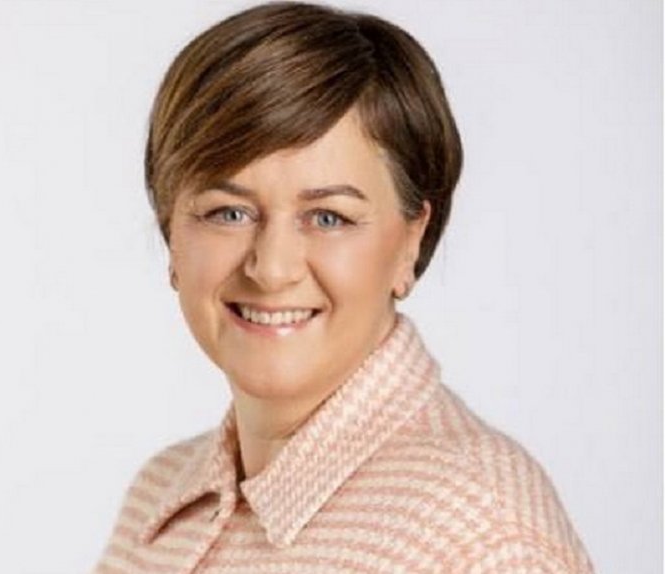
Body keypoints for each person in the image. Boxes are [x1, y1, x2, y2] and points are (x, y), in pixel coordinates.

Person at [93, 2, 595, 572]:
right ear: (170, 231)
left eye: (328, 217)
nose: (271, 268)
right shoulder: (159, 499)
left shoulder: (479, 534)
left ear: (411, 240)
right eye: (228, 213)